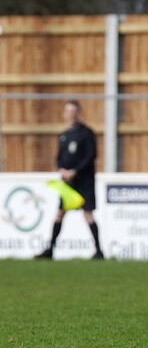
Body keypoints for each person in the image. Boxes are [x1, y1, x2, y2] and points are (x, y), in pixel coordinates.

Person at [35, 101, 104, 260]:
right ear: (64, 114)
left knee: (88, 214)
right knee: (60, 213)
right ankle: (50, 250)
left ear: (78, 113)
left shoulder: (87, 133)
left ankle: (99, 251)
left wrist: (75, 171)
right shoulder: (64, 135)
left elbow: (91, 156)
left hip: (84, 181)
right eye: (68, 111)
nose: (71, 114)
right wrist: (61, 170)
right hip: (68, 183)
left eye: (73, 111)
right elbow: (59, 157)